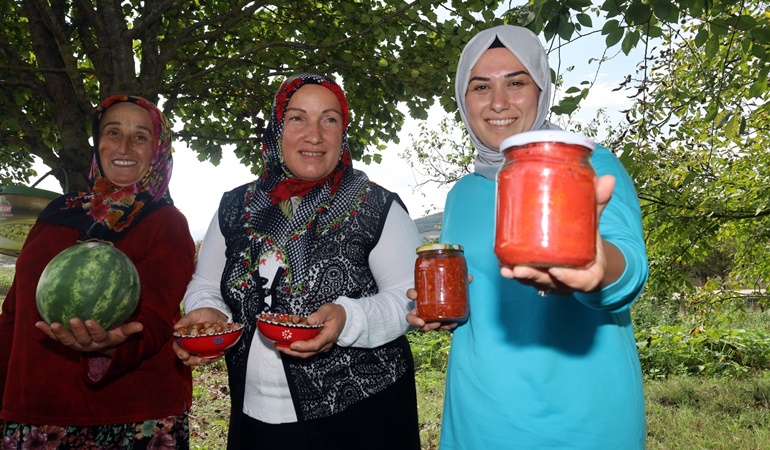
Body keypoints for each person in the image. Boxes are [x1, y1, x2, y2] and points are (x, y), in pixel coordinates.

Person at [406, 25, 649, 449]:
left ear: (542, 90)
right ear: (464, 100)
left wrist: (598, 270)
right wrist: (446, 311)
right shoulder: (462, 194)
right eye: (481, 87)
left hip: (583, 424)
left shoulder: (585, 165)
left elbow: (628, 269)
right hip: (478, 419)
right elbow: (473, 293)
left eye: (516, 82)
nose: (498, 102)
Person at [175, 72, 422, 449]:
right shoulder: (236, 207)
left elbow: (408, 297)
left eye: (330, 119)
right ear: (277, 128)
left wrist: (347, 319)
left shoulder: (376, 204)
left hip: (363, 417)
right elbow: (207, 285)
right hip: (255, 415)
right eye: (297, 118)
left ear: (343, 132)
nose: (315, 134)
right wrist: (208, 310)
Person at [0, 95, 195, 448]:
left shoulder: (166, 222)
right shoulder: (59, 209)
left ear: (158, 149)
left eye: (140, 136)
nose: (123, 146)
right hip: (34, 408)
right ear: (98, 141)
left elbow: (155, 321)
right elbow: (15, 312)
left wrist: (107, 349)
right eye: (112, 132)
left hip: (128, 417)